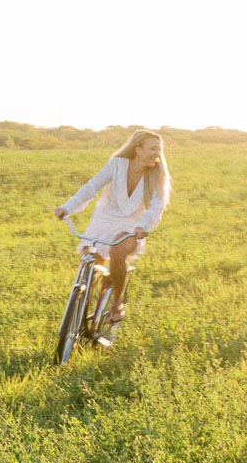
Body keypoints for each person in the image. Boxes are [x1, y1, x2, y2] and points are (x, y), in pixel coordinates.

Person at [54, 128, 171, 323]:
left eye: (159, 150)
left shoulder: (157, 174)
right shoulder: (117, 165)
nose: (157, 154)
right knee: (91, 261)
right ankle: (78, 316)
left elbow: (157, 204)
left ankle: (117, 302)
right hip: (104, 219)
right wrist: (67, 207)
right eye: (152, 148)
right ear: (138, 149)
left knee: (118, 251)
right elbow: (92, 187)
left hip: (133, 225)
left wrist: (144, 226)